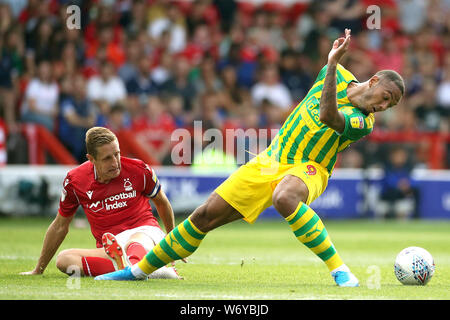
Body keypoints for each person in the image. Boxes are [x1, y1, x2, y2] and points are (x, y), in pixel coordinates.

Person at [96, 29, 404, 287]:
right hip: (270, 160)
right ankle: (137, 272)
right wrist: (333, 65)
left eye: (390, 106)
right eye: (386, 98)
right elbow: (326, 87)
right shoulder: (332, 74)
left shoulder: (363, 122)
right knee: (204, 216)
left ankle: (340, 270)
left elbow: (327, 115)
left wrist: (333, 62)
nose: (384, 107)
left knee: (285, 198)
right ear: (375, 81)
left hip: (310, 168)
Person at [21, 127, 180, 279]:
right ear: (91, 159)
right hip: (112, 248)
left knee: (136, 242)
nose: (115, 162)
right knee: (65, 260)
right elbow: (60, 225)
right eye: (107, 158)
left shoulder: (139, 169)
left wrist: (172, 244)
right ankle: (146, 270)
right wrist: (38, 269)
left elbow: (162, 203)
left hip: (145, 234)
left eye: (117, 154)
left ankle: (138, 267)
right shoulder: (75, 181)